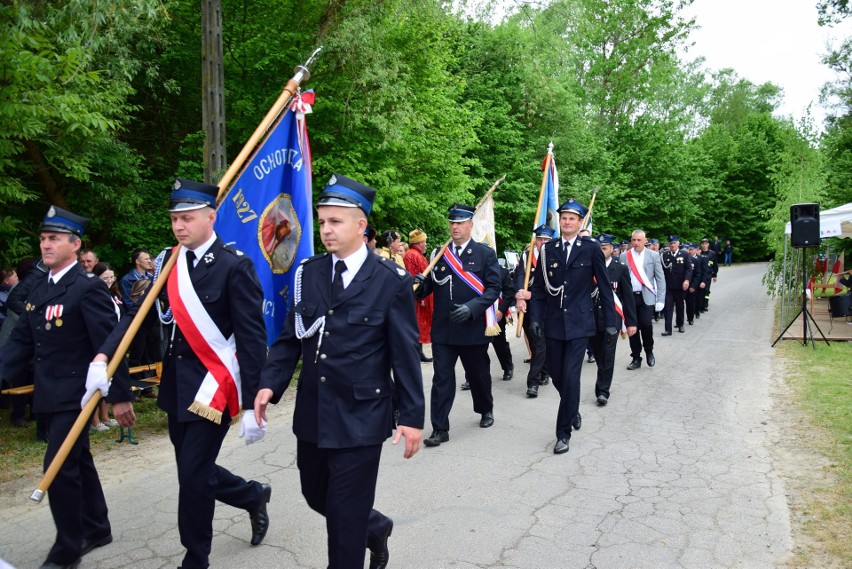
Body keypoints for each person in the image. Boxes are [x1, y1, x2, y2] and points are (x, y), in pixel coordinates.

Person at [94, 178, 271, 569]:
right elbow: (134, 317)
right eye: (174, 219)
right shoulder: (169, 264)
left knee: (192, 476)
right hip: (177, 386)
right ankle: (250, 495)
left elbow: (252, 336)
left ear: (211, 217)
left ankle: (195, 558)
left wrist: (254, 399)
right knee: (195, 470)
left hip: (214, 387)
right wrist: (104, 356)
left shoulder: (233, 265)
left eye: (187, 218)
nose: (178, 226)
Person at [255, 173, 424, 569]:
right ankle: (375, 526)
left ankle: (357, 536)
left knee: (344, 522)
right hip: (314, 412)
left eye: (336, 222)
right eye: (322, 221)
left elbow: (405, 353)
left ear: (361, 225)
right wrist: (269, 383)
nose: (326, 230)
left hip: (362, 416)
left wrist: (413, 416)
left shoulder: (390, 281)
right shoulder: (308, 273)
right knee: (317, 495)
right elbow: (290, 338)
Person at [2, 206, 135, 569]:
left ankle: (67, 548)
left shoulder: (87, 289)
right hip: (49, 391)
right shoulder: (39, 287)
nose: (46, 244)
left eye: (54, 239)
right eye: (44, 238)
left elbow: (112, 344)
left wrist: (120, 395)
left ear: (74, 245)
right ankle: (96, 526)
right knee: (78, 459)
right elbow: (22, 342)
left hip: (78, 394)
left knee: (59, 466)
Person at [528, 198, 617, 454]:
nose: (567, 222)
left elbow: (604, 286)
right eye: (564, 218)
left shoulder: (590, 249)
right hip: (553, 323)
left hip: (580, 324)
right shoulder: (548, 250)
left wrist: (611, 322)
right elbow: (538, 288)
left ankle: (562, 433)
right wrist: (534, 318)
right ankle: (572, 406)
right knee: (557, 375)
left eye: (572, 218)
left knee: (570, 376)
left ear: (580, 223)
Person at [413, 203, 502, 447]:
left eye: (460, 222)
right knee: (442, 379)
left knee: (478, 375)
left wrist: (473, 308)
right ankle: (440, 428)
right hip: (444, 330)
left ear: (470, 226)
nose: (455, 226)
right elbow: (428, 289)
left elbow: (494, 288)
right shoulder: (438, 254)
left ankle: (485, 409)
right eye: (452, 222)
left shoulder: (485, 254)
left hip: (472, 329)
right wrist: (419, 285)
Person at [590, 234, 637, 406]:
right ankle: (602, 379)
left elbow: (628, 297)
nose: (602, 252)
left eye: (605, 248)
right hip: (592, 318)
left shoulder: (620, 268)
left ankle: (603, 391)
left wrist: (631, 322)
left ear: (612, 249)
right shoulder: (589, 266)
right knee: (599, 355)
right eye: (599, 248)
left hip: (612, 319)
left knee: (608, 355)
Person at [514, 224, 553, 398]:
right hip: (528, 307)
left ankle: (533, 382)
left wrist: (530, 294)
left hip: (547, 307)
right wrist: (520, 297)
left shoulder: (555, 257)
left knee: (540, 343)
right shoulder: (526, 256)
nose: (542, 242)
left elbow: (556, 287)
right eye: (540, 239)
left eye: (546, 239)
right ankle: (545, 371)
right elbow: (519, 276)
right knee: (535, 342)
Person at [619, 229, 665, 370]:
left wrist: (660, 299)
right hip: (630, 297)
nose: (636, 243)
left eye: (639, 240)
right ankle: (636, 357)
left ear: (645, 241)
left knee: (645, 324)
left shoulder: (653, 255)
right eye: (634, 240)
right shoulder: (624, 256)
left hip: (647, 297)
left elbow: (660, 278)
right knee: (632, 328)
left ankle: (649, 351)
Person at [403, 228, 434, 363]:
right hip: (418, 296)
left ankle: (419, 352)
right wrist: (419, 296)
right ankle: (416, 353)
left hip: (423, 295)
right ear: (419, 242)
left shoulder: (416, 254)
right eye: (424, 242)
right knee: (417, 325)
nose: (426, 244)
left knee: (420, 325)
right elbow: (412, 275)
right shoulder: (412, 255)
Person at [660, 235, 693, 336]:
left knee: (679, 306)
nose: (672, 245)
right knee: (668, 308)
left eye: (674, 243)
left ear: (678, 243)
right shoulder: (664, 255)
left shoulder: (684, 254)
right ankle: (668, 329)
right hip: (668, 287)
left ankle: (680, 324)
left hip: (680, 286)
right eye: (670, 243)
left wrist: (687, 280)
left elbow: (688, 269)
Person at [699, 237, 718, 312]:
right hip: (700, 275)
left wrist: (715, 275)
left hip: (708, 275)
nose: (704, 245)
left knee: (706, 291)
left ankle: (705, 304)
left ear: (708, 244)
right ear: (701, 244)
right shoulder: (699, 252)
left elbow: (715, 265)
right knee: (700, 290)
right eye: (703, 244)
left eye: (705, 244)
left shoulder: (712, 253)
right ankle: (699, 305)